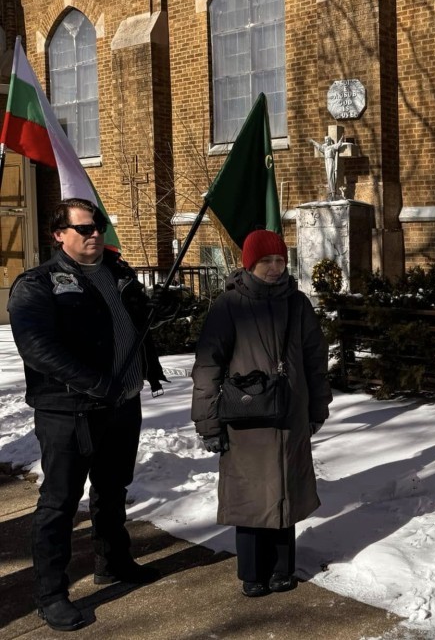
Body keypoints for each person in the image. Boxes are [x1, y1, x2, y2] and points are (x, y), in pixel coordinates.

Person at [8, 198, 166, 632]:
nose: (94, 233)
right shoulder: (37, 283)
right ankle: (51, 594)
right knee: (59, 503)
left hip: (121, 405)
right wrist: (97, 385)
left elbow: (133, 328)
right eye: (83, 229)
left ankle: (112, 561)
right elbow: (38, 349)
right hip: (69, 411)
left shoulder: (118, 273)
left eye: (97, 226)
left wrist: (157, 310)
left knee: (113, 489)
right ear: (59, 235)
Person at [191, 229, 332, 598]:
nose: (274, 267)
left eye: (279, 260)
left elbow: (316, 359)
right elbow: (208, 366)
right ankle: (252, 572)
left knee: (286, 490)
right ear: (249, 264)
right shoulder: (229, 305)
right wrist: (208, 423)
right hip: (247, 418)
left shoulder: (298, 304)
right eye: (266, 261)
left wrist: (318, 407)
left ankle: (282, 568)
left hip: (290, 416)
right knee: (250, 496)